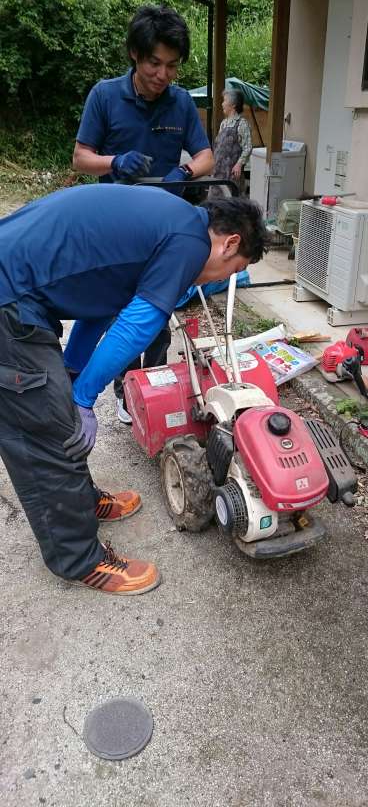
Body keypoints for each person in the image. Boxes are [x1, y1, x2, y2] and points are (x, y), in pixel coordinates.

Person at [0, 183, 267, 596]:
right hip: (9, 297)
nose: (222, 278)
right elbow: (139, 323)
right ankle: (79, 560)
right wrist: (83, 396)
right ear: (229, 243)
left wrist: (74, 372)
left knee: (59, 404)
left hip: (18, 287)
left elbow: (101, 304)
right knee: (47, 428)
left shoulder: (172, 223)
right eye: (233, 270)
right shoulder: (189, 243)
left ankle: (81, 502)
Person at [72, 4, 215, 424]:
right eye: (155, 62)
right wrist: (115, 162)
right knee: (114, 309)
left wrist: (183, 172)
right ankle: (119, 387)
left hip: (163, 227)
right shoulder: (105, 95)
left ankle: (151, 389)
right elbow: (81, 158)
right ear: (135, 54)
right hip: (114, 227)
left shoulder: (181, 103)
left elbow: (206, 156)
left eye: (172, 65)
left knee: (155, 312)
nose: (162, 74)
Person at [211, 89, 252, 196]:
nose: (222, 104)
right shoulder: (224, 123)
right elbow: (218, 146)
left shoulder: (242, 124)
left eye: (225, 100)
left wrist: (239, 164)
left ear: (233, 105)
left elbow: (247, 147)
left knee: (231, 201)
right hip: (218, 172)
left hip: (231, 174)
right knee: (215, 201)